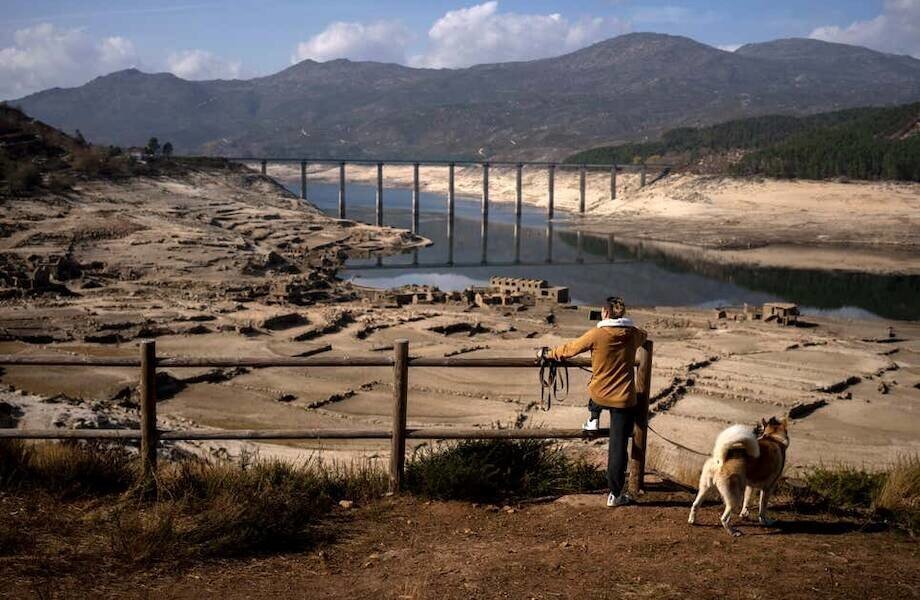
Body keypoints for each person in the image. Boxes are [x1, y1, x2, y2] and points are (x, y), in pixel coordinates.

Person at [544, 296, 647, 507]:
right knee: (618, 447)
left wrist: (549, 353)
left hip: (600, 395)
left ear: (606, 313)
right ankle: (615, 494)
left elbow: (570, 349)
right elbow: (644, 336)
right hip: (623, 399)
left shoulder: (597, 333)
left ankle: (593, 418)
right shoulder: (633, 334)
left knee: (596, 387)